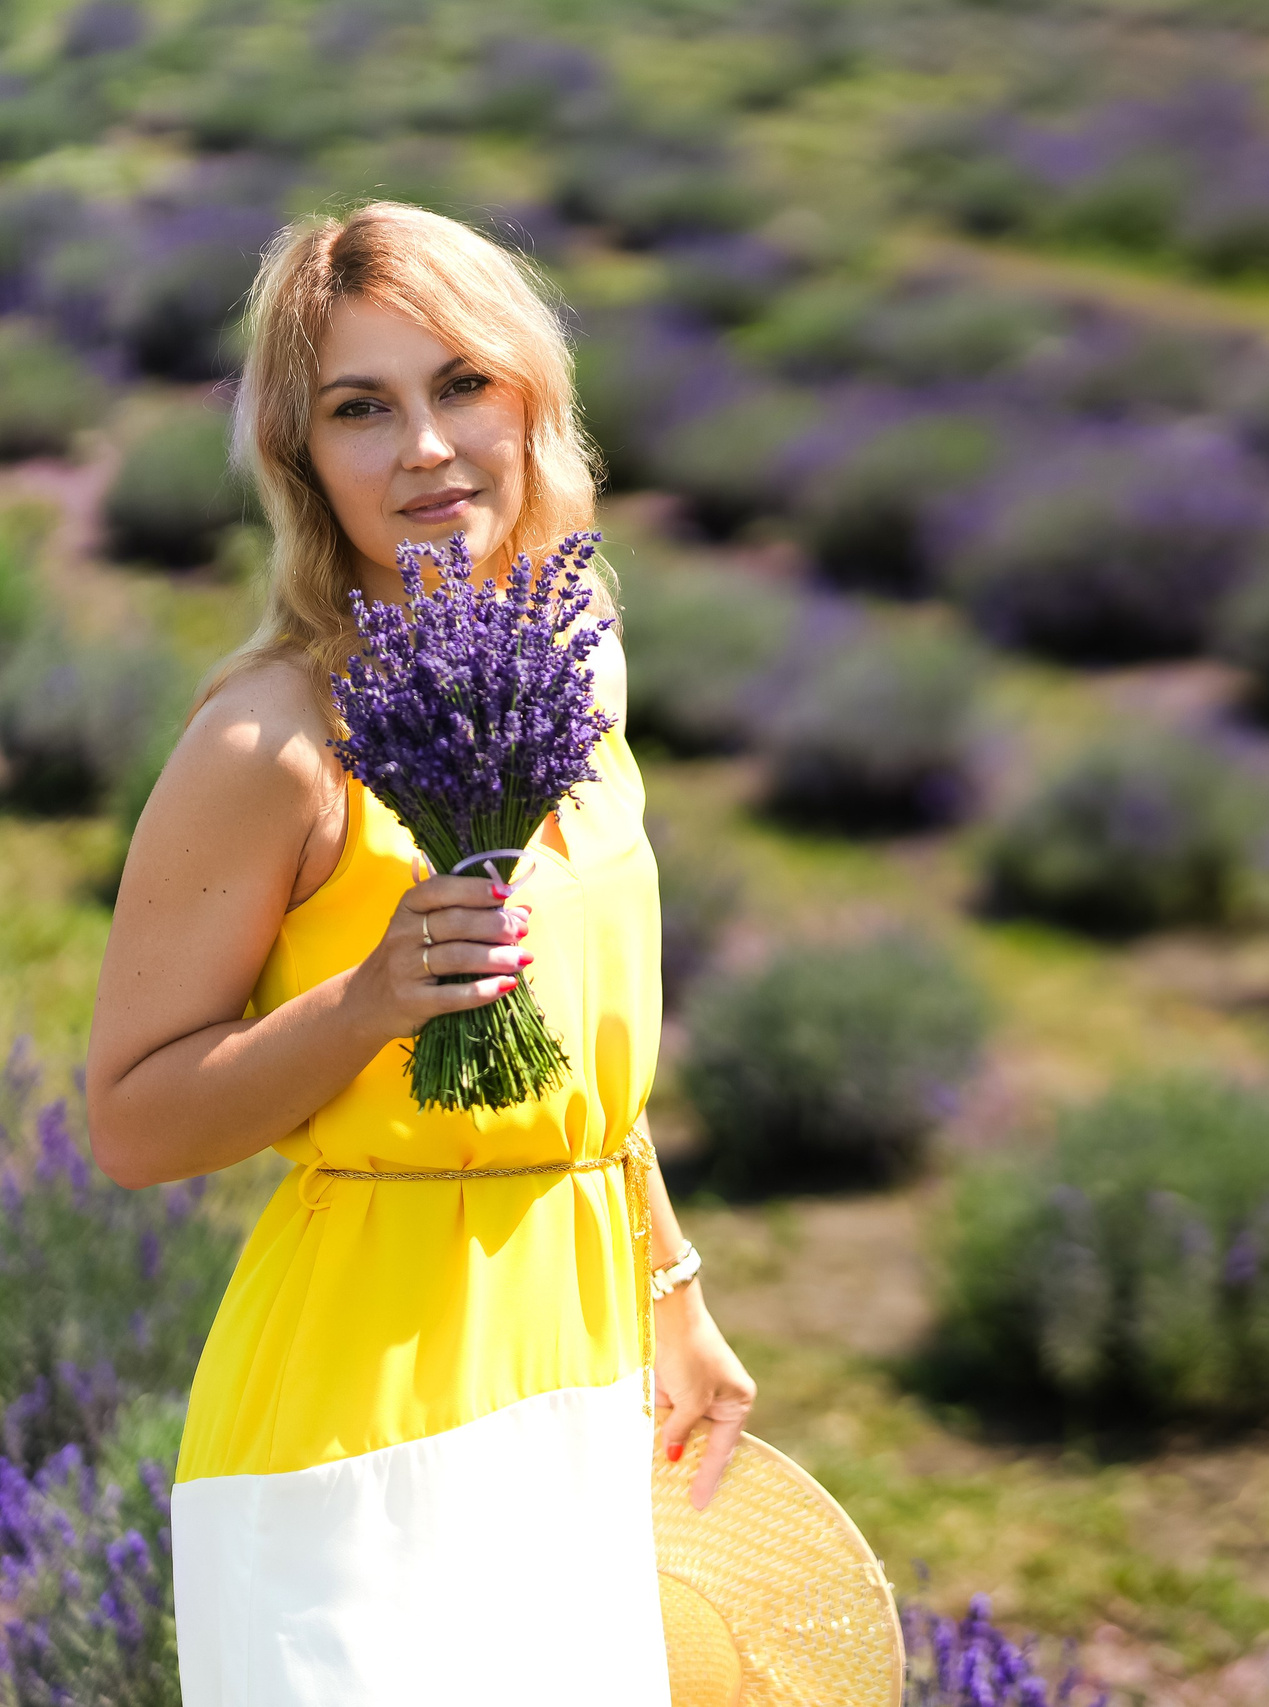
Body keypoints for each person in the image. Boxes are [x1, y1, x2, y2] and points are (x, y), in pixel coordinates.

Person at [83, 200, 752, 1706]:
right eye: (360, 408)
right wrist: (370, 1000)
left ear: (533, 402)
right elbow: (128, 1123)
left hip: (576, 1364)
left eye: (462, 385)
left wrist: (675, 1294)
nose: (427, 448)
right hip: (357, 1411)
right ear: (301, 457)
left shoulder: (578, 667)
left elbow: (583, 1063)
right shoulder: (268, 743)